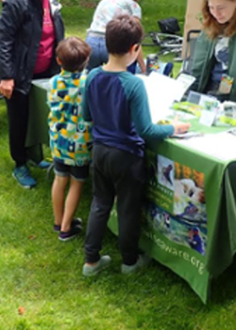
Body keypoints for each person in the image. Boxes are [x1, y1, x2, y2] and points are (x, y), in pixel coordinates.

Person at [81, 14, 189, 277]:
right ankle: (129, 261)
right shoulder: (133, 84)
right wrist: (173, 128)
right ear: (135, 49)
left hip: (100, 152)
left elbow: (86, 115)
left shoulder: (92, 76)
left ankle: (91, 261)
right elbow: (147, 130)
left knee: (100, 203)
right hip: (126, 156)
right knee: (128, 208)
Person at [0, 0, 65, 189]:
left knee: (39, 117)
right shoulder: (17, 0)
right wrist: (6, 76)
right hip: (20, 72)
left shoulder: (50, 0)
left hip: (46, 72)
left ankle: (35, 156)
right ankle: (20, 164)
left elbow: (56, 35)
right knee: (19, 120)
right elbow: (3, 40)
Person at [48, 37, 92, 242]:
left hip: (58, 141)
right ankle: (67, 228)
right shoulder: (87, 83)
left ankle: (59, 221)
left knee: (59, 179)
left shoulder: (53, 82)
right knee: (77, 183)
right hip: (80, 145)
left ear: (58, 61)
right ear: (86, 60)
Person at [86, 0, 146, 73]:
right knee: (124, 76)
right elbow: (135, 36)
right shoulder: (133, 5)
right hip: (112, 43)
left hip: (91, 41)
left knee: (90, 78)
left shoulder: (106, 0)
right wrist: (143, 67)